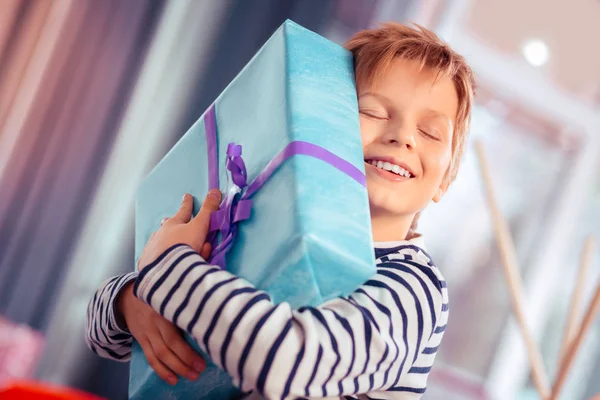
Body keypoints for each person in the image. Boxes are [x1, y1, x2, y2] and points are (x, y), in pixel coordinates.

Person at [86, 22, 475, 399]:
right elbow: (100, 336)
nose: (402, 136)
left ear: (445, 181)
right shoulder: (260, 221)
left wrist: (171, 271)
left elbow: (295, 360)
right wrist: (131, 299)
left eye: (430, 133)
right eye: (372, 112)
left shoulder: (413, 288)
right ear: (322, 126)